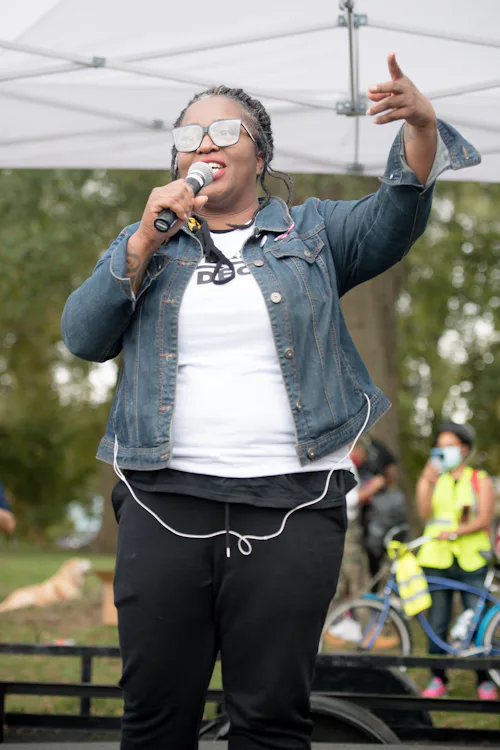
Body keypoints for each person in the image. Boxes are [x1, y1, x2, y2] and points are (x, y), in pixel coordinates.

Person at [61, 52, 478, 749]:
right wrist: (140, 241)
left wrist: (422, 129)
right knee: (156, 717)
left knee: (271, 718)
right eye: (189, 136)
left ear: (260, 155)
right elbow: (83, 336)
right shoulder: (150, 245)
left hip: (292, 502)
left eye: (225, 132)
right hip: (164, 500)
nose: (204, 144)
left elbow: (393, 217)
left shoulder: (313, 233)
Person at [417, 422, 497, 701]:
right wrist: (426, 480)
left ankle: (484, 679)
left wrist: (455, 533)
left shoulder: (479, 479)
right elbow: (424, 513)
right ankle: (438, 677)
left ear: (463, 449)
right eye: (440, 446)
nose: (443, 451)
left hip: (471, 560)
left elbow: (484, 518)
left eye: (449, 446)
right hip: (436, 560)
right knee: (437, 622)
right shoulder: (434, 478)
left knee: (476, 621)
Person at [351, 436, 406, 589]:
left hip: (381, 517)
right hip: (362, 519)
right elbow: (353, 498)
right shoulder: (350, 464)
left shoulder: (377, 449)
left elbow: (391, 471)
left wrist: (379, 485)